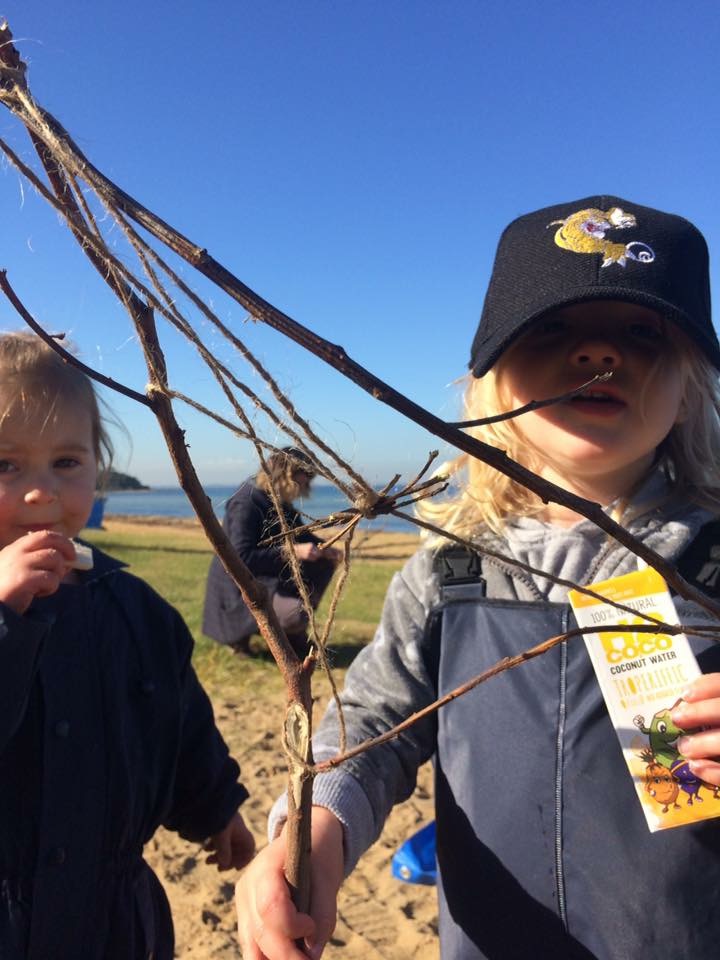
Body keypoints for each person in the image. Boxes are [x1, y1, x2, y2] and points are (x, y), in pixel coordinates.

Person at [235, 196, 720, 960]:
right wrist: (314, 831)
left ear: (691, 387)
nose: (599, 356)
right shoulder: (450, 566)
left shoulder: (712, 561)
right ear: (488, 384)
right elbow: (372, 725)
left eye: (641, 332)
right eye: (552, 329)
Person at [0, 332, 255, 960]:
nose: (41, 491)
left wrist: (216, 807)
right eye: (4, 464)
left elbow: (181, 721)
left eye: (67, 462)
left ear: (97, 463)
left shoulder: (138, 610)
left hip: (110, 919)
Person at [203, 447, 340, 657]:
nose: (306, 486)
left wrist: (325, 548)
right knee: (297, 614)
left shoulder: (279, 503)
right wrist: (293, 551)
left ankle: (293, 633)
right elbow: (241, 558)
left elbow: (301, 535)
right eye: (304, 480)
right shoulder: (246, 503)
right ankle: (257, 633)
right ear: (286, 476)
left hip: (268, 577)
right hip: (239, 589)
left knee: (322, 564)